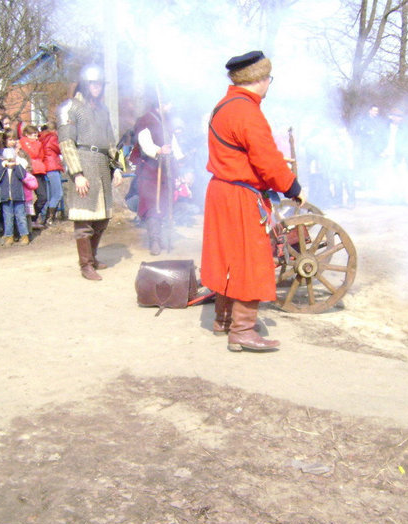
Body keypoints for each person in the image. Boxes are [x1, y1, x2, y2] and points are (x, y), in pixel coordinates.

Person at [201, 50, 306, 352]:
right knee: (250, 259)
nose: (269, 84)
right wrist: (293, 187)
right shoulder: (247, 111)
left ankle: (223, 320)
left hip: (221, 190)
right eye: (268, 79)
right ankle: (243, 331)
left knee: (227, 256)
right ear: (259, 79)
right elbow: (267, 161)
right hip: (240, 195)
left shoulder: (223, 106)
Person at [57, 63, 123, 281]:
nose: (97, 87)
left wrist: (117, 168)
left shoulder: (103, 110)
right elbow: (67, 143)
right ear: (85, 84)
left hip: (102, 164)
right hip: (83, 163)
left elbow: (111, 142)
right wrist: (77, 173)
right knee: (85, 221)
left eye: (100, 84)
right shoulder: (70, 107)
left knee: (102, 219)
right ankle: (85, 265)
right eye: (93, 83)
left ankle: (92, 257)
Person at [129, 92, 183, 255]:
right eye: (168, 104)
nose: (170, 107)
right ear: (161, 103)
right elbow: (144, 143)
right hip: (151, 171)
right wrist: (158, 150)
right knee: (152, 205)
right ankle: (155, 241)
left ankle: (164, 237)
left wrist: (180, 160)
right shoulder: (145, 120)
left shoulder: (166, 121)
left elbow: (173, 143)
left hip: (166, 170)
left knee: (165, 204)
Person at [0, 133, 30, 245]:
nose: (10, 161)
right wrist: (3, 165)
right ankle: (9, 236)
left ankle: (24, 235)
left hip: (18, 196)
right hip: (6, 196)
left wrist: (16, 164)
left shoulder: (18, 167)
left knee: (21, 216)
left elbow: (22, 175)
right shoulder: (3, 169)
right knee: (8, 217)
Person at [19, 124, 48, 228]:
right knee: (30, 198)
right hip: (30, 171)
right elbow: (33, 153)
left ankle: (33, 218)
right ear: (27, 135)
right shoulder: (23, 142)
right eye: (33, 135)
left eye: (37, 135)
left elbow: (41, 155)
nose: (36, 138)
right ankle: (28, 220)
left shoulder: (38, 144)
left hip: (39, 170)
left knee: (43, 197)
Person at [39, 122, 65, 225]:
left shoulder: (42, 137)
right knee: (58, 193)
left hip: (46, 167)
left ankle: (43, 217)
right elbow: (60, 149)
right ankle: (50, 218)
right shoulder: (52, 137)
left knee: (50, 195)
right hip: (52, 167)